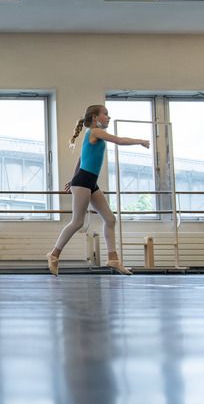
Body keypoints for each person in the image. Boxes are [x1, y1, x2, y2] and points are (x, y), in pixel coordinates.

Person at [47, 105, 150, 276]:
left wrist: (73, 178)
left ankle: (113, 259)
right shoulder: (94, 132)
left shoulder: (93, 136)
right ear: (95, 117)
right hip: (83, 181)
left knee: (110, 219)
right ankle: (54, 254)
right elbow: (119, 140)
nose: (109, 117)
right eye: (106, 114)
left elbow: (81, 158)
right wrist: (140, 141)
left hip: (88, 182)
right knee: (77, 222)